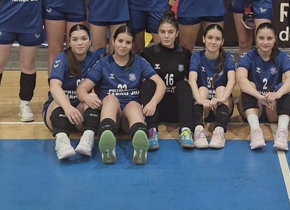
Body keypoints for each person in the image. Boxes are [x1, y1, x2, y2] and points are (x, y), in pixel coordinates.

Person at [76, 25, 166, 165]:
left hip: (128, 119)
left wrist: (153, 103)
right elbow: (81, 88)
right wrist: (87, 97)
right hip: (112, 114)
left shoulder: (139, 62)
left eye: (128, 42)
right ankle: (108, 143)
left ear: (132, 45)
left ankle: (139, 144)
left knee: (134, 105)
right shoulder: (103, 63)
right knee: (110, 99)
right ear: (113, 41)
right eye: (120, 41)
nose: (123, 46)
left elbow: (161, 84)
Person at [44, 24, 102, 160]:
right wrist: (68, 107)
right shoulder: (62, 58)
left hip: (80, 112)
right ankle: (62, 142)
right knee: (60, 101)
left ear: (90, 41)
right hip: (58, 110)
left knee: (92, 96)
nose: (79, 43)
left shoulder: (96, 59)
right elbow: (54, 86)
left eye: (83, 39)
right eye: (75, 39)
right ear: (69, 42)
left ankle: (87, 139)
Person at [236, 23, 290, 151]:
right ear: (256, 39)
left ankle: (282, 132)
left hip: (272, 106)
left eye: (269, 38)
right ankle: (255, 131)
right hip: (254, 106)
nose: (265, 42)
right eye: (261, 38)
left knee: (284, 87)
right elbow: (241, 80)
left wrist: (277, 94)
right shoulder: (248, 56)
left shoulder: (282, 56)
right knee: (248, 86)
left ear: (275, 39)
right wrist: (258, 96)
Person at [140, 13, 195, 149]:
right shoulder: (148, 53)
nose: (166, 36)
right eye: (162, 32)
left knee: (184, 84)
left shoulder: (185, 54)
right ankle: (151, 131)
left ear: (177, 33)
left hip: (176, 107)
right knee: (148, 83)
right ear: (157, 32)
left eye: (170, 32)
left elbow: (193, 81)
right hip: (154, 107)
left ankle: (186, 130)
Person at [188, 24, 236, 150]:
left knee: (221, 89)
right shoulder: (196, 57)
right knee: (202, 89)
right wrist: (200, 100)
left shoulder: (228, 57)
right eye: (210, 38)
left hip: (221, 105)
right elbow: (192, 80)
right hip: (202, 106)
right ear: (203, 39)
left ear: (222, 42)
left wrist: (222, 98)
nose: (213, 42)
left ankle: (219, 131)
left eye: (217, 39)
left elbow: (232, 80)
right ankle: (198, 130)